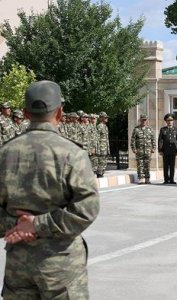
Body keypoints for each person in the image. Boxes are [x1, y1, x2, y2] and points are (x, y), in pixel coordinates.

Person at [0, 80, 100, 298]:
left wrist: (19, 225)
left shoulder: (5, 153)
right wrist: (37, 225)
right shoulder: (71, 153)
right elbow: (87, 209)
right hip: (61, 265)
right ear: (60, 112)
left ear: (25, 113)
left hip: (19, 264)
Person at [131, 114, 155, 184]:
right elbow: (132, 140)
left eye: (145, 120)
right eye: (142, 120)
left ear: (147, 120)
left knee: (147, 164)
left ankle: (147, 178)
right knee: (140, 164)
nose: (144, 121)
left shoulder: (150, 129)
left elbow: (153, 139)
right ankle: (141, 178)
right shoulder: (136, 129)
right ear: (140, 120)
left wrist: (153, 148)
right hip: (139, 150)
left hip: (148, 150)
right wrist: (133, 149)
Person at [158, 113, 177, 184]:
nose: (170, 121)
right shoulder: (163, 129)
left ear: (173, 121)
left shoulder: (176, 129)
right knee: (166, 166)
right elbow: (160, 140)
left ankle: (171, 179)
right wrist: (160, 150)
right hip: (165, 150)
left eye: (171, 120)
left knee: (172, 166)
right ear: (166, 121)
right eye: (168, 120)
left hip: (173, 150)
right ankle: (166, 180)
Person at [96, 111, 110, 178]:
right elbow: (97, 138)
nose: (106, 118)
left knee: (104, 161)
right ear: (101, 118)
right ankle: (99, 174)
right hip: (101, 147)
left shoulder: (105, 127)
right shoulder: (99, 126)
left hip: (105, 147)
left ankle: (102, 173)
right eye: (105, 117)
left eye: (106, 117)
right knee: (101, 161)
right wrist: (98, 148)